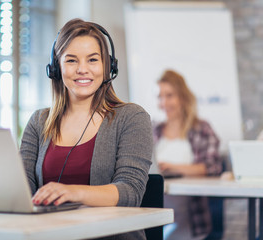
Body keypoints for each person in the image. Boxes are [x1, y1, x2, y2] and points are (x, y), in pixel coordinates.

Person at [19, 19, 153, 239]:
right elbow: (21, 189)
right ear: (56, 68)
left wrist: (73, 192)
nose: (82, 69)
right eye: (71, 60)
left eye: (93, 59)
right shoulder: (39, 122)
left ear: (108, 67)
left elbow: (130, 191)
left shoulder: (131, 118)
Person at [153, 69, 223, 240]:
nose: (164, 102)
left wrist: (171, 167)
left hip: (192, 221)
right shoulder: (155, 131)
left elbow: (212, 167)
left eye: (169, 95)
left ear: (182, 97)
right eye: (160, 96)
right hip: (158, 218)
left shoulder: (201, 129)